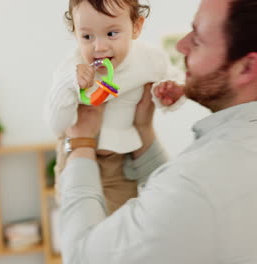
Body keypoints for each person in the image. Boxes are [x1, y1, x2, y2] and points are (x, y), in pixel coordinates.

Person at [58, 0, 257, 263]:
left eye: (198, 39)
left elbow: (81, 257)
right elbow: (183, 219)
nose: (181, 45)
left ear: (246, 68)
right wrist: (144, 134)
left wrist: (81, 141)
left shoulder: (201, 182)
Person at [44, 0, 185, 214]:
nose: (99, 47)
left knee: (119, 225)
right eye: (87, 36)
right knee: (78, 218)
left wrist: (171, 95)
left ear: (135, 27)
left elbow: (173, 82)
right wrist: (68, 85)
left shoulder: (149, 59)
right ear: (75, 33)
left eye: (111, 34)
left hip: (120, 164)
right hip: (74, 155)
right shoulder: (71, 67)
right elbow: (56, 125)